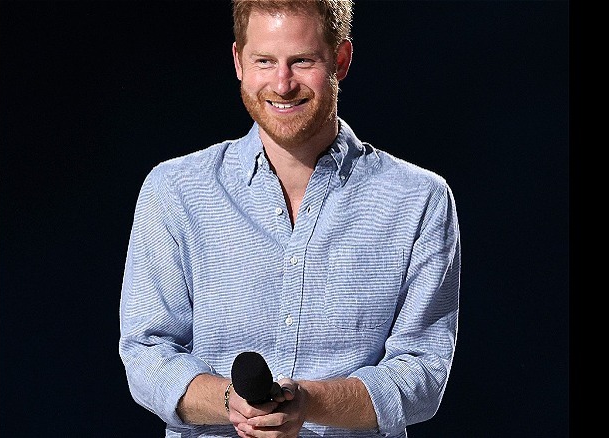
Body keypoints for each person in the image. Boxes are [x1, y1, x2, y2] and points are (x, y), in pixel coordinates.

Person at [118, 1, 461, 437]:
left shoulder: (418, 199)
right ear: (239, 62)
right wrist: (231, 403)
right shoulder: (175, 190)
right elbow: (147, 353)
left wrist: (309, 403)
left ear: (341, 60)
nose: (282, 84)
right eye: (265, 61)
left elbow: (423, 372)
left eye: (302, 61)